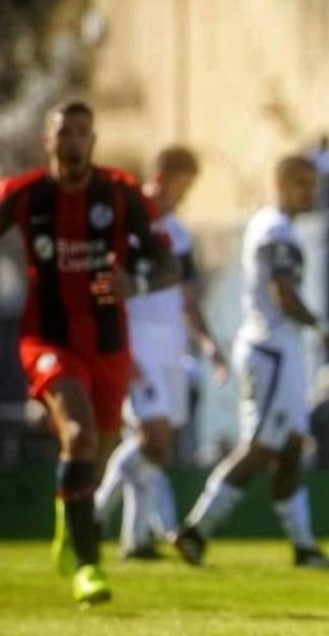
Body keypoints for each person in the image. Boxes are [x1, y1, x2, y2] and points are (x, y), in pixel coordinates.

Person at [0, 100, 178, 605]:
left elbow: (167, 265)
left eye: (83, 132)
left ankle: (68, 515)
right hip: (49, 340)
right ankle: (89, 566)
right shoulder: (24, 195)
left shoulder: (121, 194)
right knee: (77, 436)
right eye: (65, 133)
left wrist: (134, 281)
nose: (74, 141)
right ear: (48, 141)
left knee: (94, 453)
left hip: (108, 343)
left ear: (93, 140)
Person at [171, 155, 329, 569]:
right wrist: (321, 327)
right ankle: (196, 530)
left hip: (278, 350)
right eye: (304, 184)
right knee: (261, 447)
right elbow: (282, 291)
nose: (312, 193)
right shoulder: (276, 230)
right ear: (282, 184)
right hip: (271, 350)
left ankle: (303, 547)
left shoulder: (274, 227)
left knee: (288, 449)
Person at [94, 145, 228, 560]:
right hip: (137, 344)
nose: (183, 195)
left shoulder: (179, 233)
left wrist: (208, 344)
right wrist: (120, 348)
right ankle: (99, 513)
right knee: (153, 437)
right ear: (162, 174)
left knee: (155, 445)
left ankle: (135, 538)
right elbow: (107, 288)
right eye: (182, 184)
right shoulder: (127, 224)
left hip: (171, 349)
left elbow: (186, 296)